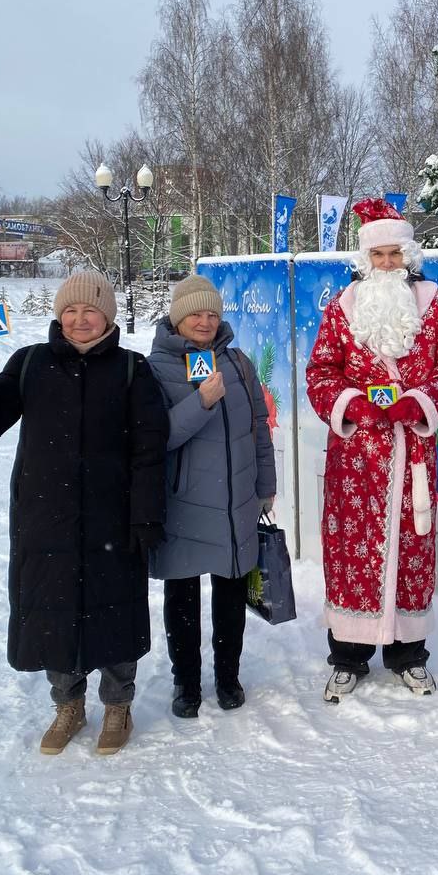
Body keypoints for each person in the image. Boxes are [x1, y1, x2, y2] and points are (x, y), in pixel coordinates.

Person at [0, 272, 167, 755]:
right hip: (45, 517)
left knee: (115, 612)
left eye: (90, 310)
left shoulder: (131, 368)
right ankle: (68, 705)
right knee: (53, 612)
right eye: (70, 310)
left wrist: (146, 515)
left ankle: (118, 705)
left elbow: (150, 450)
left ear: (107, 316)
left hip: (113, 517)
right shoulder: (30, 362)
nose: (79, 319)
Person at [306, 197, 438, 702]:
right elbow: (320, 372)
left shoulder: (434, 304)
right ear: (365, 259)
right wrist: (351, 403)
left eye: (395, 254)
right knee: (351, 553)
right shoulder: (342, 307)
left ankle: (408, 656)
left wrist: (419, 401)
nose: (387, 263)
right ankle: (347, 658)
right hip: (355, 457)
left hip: (412, 449)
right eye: (378, 255)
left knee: (412, 550)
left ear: (408, 256)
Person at [148, 275, 276, 718]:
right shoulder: (155, 368)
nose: (204, 322)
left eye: (212, 314)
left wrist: (266, 485)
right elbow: (156, 438)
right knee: (182, 597)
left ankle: (227, 676)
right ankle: (185, 682)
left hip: (235, 500)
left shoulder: (238, 362)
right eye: (194, 314)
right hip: (183, 503)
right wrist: (200, 402)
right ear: (177, 318)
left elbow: (258, 426)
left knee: (230, 595)